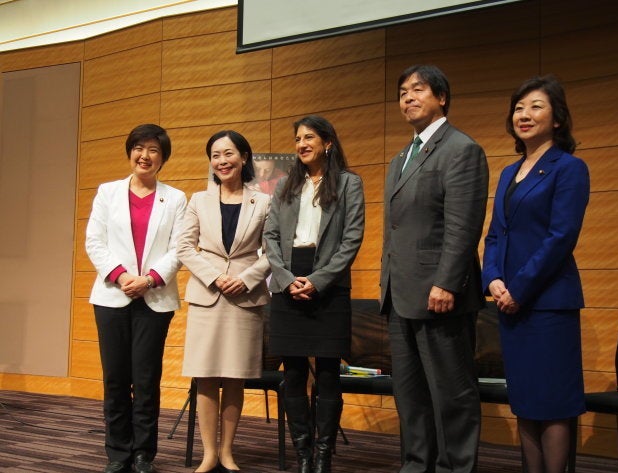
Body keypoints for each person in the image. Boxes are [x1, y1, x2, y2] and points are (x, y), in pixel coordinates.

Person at [380, 65, 489, 473]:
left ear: (441, 97)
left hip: (439, 294)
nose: (408, 97)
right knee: (409, 394)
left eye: (418, 90)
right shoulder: (400, 158)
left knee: (451, 394)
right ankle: (416, 465)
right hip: (400, 293)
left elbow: (463, 226)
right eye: (403, 91)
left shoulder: (461, 149)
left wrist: (446, 283)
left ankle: (455, 467)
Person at [481, 75, 590, 473]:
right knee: (525, 400)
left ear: (557, 118)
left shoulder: (569, 168)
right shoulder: (509, 172)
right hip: (511, 305)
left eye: (536, 107)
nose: (524, 115)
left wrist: (519, 289)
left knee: (553, 404)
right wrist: (492, 278)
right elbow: (495, 234)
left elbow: (561, 238)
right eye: (519, 108)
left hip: (548, 305)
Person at [263, 115, 365, 473]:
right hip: (287, 280)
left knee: (327, 375)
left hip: (330, 285)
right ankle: (303, 455)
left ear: (328, 143)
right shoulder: (284, 186)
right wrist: (287, 277)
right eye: (298, 139)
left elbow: (351, 239)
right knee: (292, 373)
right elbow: (271, 237)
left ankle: (323, 456)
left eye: (309, 137)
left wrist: (318, 280)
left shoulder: (350, 184)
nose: (302, 144)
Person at [85, 124, 187, 473]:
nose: (145, 155)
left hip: (154, 299)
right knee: (115, 377)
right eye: (138, 148)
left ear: (163, 158)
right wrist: (122, 276)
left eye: (153, 150)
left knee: (145, 379)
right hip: (111, 296)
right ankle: (117, 452)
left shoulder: (175, 198)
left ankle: (143, 452)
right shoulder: (107, 192)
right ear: (130, 152)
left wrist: (149, 279)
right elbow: (94, 242)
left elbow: (179, 247)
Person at [178, 130, 271, 473]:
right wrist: (215, 277)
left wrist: (245, 279)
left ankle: (228, 452)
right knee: (205, 376)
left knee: (234, 376)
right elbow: (184, 247)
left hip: (244, 298)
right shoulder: (198, 200)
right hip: (207, 296)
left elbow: (273, 251)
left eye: (228, 154)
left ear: (244, 157)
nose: (222, 161)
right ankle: (208, 455)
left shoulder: (263, 201)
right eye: (215, 155)